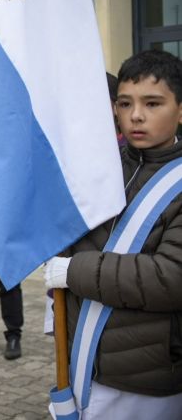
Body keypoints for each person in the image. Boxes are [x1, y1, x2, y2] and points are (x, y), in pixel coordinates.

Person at [45, 50, 182, 419]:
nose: (136, 115)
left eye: (153, 103)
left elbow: (170, 277)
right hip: (82, 364)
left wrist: (74, 271)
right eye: (125, 103)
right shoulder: (98, 170)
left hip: (147, 379)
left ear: (180, 110)